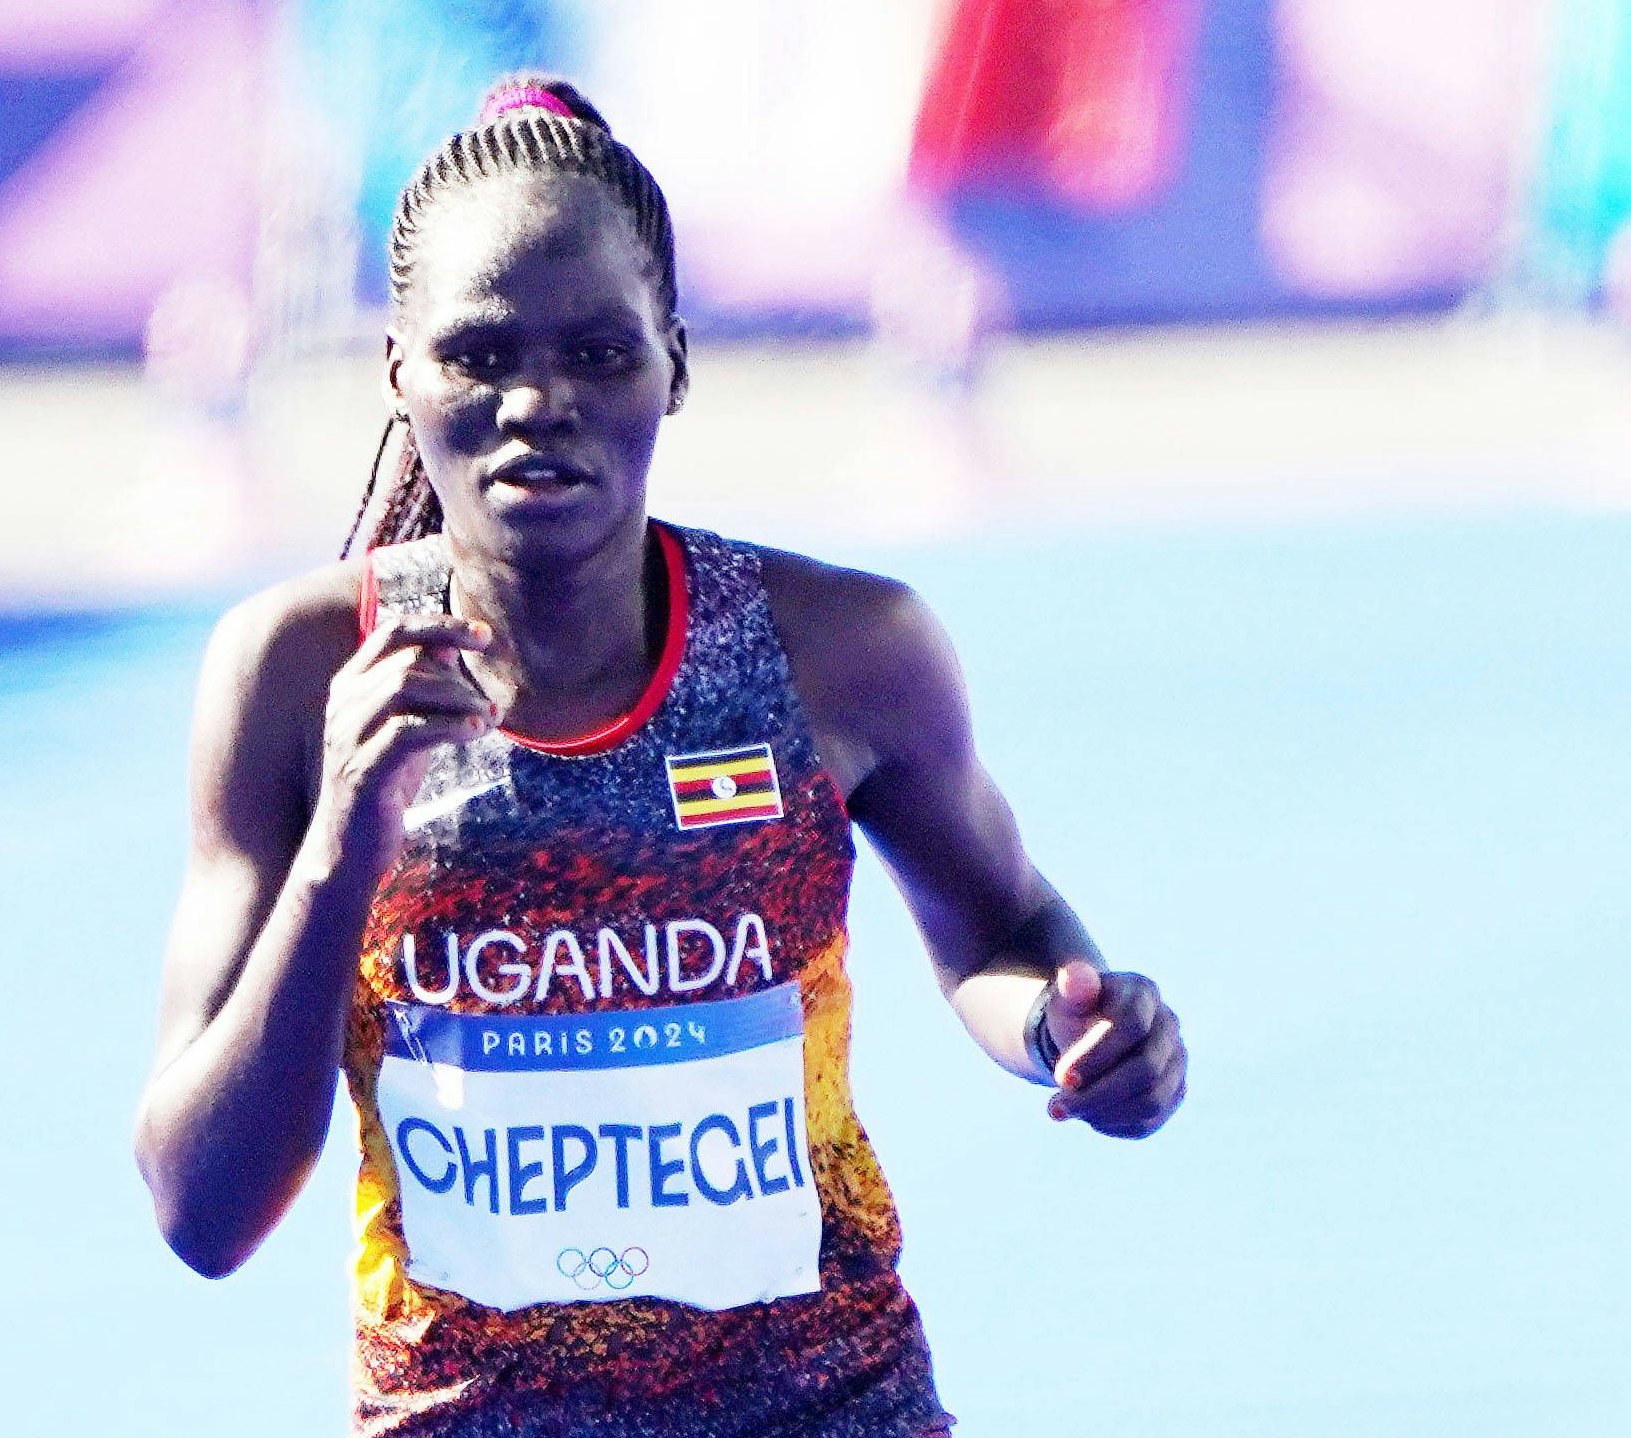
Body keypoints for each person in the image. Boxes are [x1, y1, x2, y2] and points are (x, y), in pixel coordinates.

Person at [132, 75, 1188, 1437]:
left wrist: (1072, 1030)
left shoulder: (838, 650)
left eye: (597, 353)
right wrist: (343, 842)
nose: (539, 403)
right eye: (480, 356)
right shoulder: (298, 674)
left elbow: (1002, 929)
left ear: (674, 364)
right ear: (398, 370)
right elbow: (200, 1212)